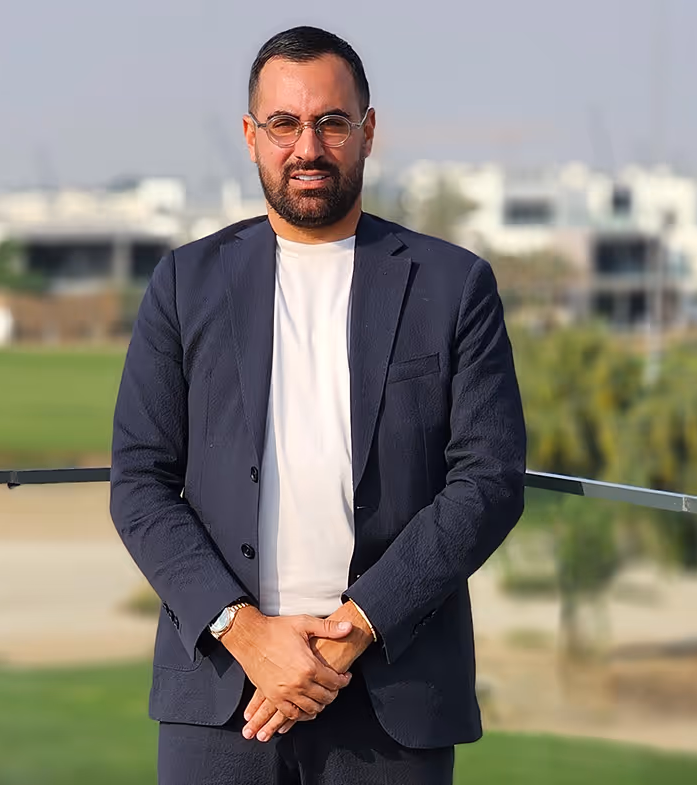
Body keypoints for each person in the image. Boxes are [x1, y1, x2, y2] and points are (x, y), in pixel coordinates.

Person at [110, 24, 527, 785]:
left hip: (392, 692)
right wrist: (245, 632)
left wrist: (357, 626)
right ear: (251, 137)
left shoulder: (454, 285)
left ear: (368, 131)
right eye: (284, 124)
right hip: (222, 691)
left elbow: (488, 481)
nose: (308, 146)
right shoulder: (183, 285)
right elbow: (140, 484)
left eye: (331, 122)